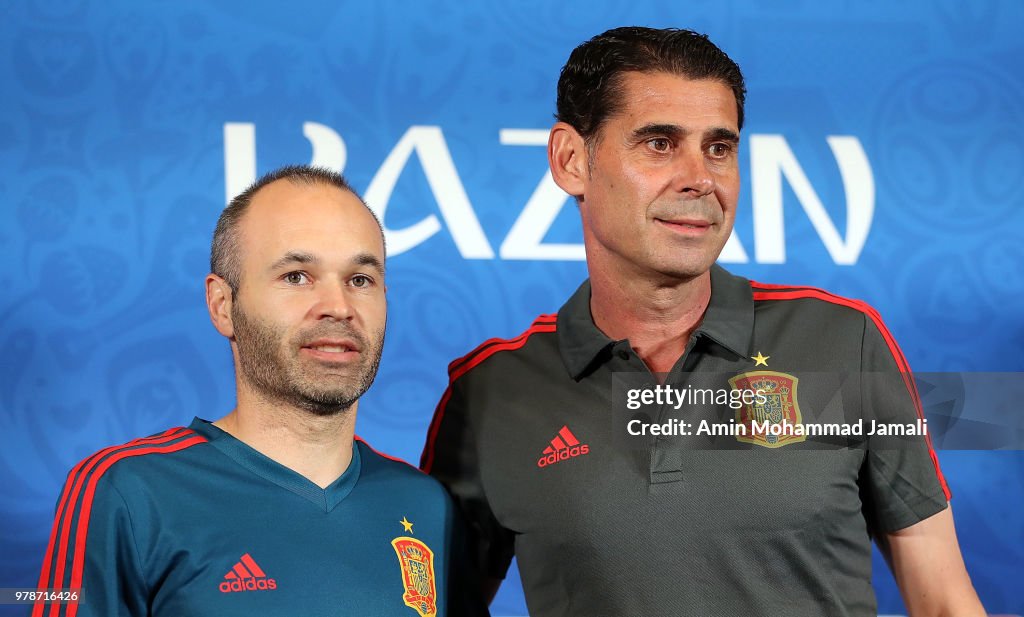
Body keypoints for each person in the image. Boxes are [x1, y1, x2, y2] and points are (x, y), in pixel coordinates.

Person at [421, 27, 985, 616]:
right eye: (660, 143)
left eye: (719, 147)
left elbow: (944, 601)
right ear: (570, 160)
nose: (701, 178)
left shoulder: (844, 340)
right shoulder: (489, 391)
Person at [35, 165, 486, 617]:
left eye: (360, 280)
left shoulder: (427, 507)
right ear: (222, 305)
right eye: (296, 276)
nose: (339, 307)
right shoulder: (125, 492)